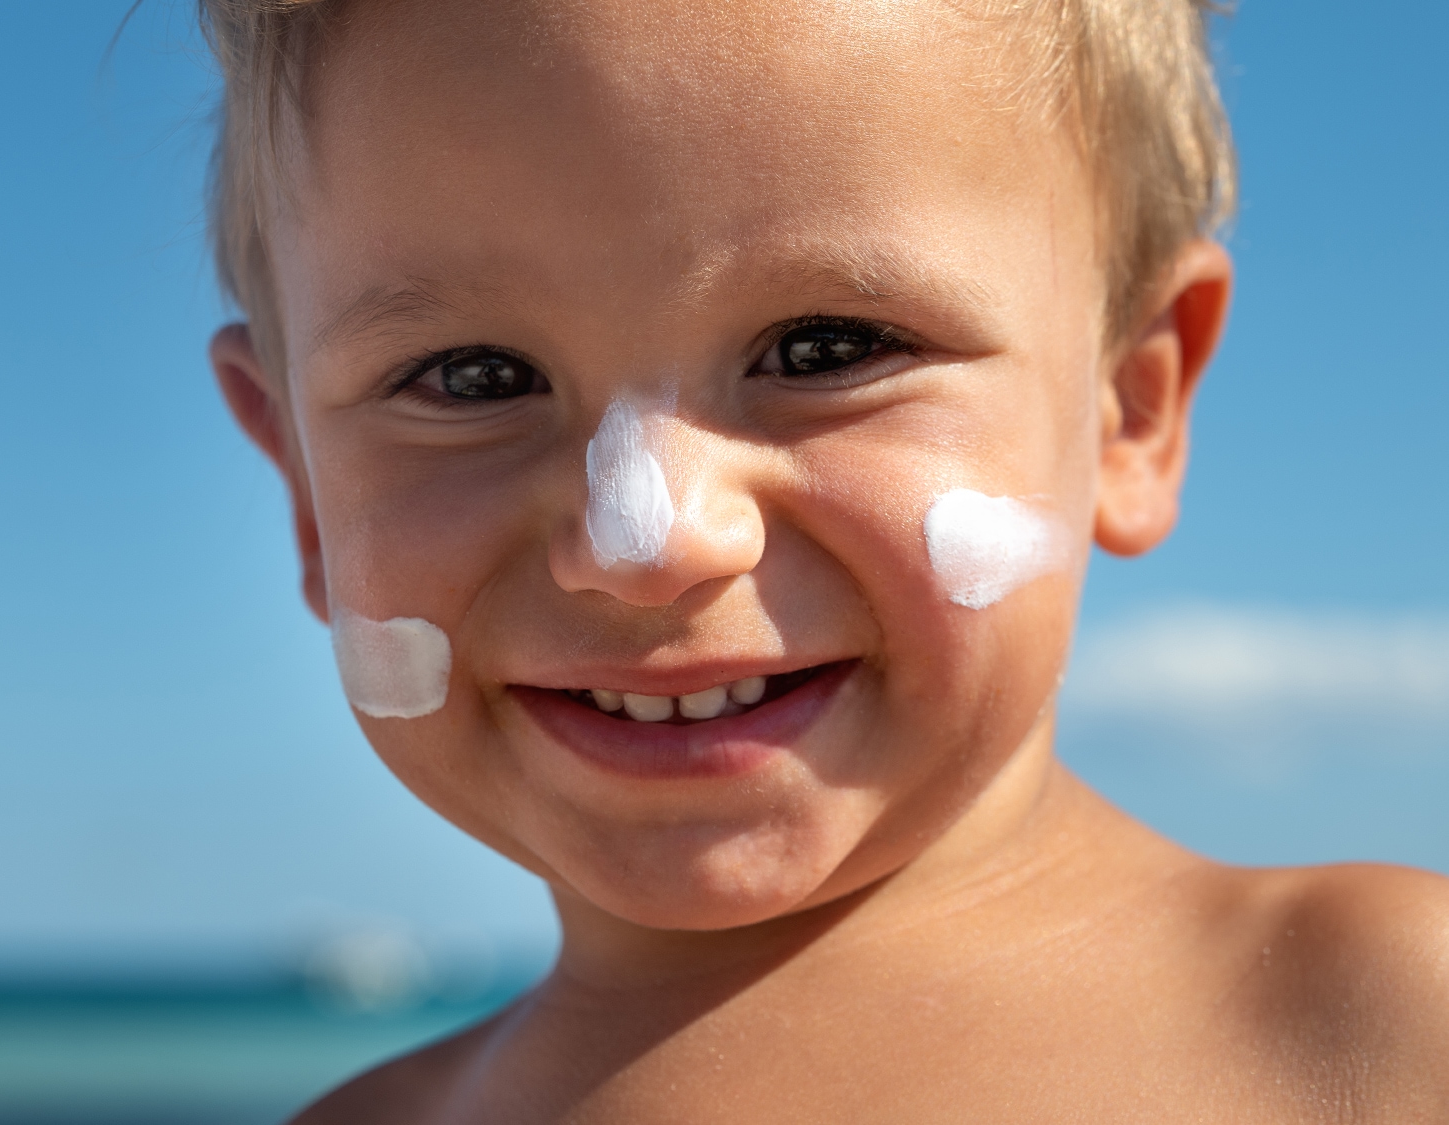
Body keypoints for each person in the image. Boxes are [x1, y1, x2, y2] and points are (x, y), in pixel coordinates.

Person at [200, 0, 1449, 1119]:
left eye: (825, 349)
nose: (653, 541)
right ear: (304, 487)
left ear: (1131, 406)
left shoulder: (1386, 1024)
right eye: (472, 380)